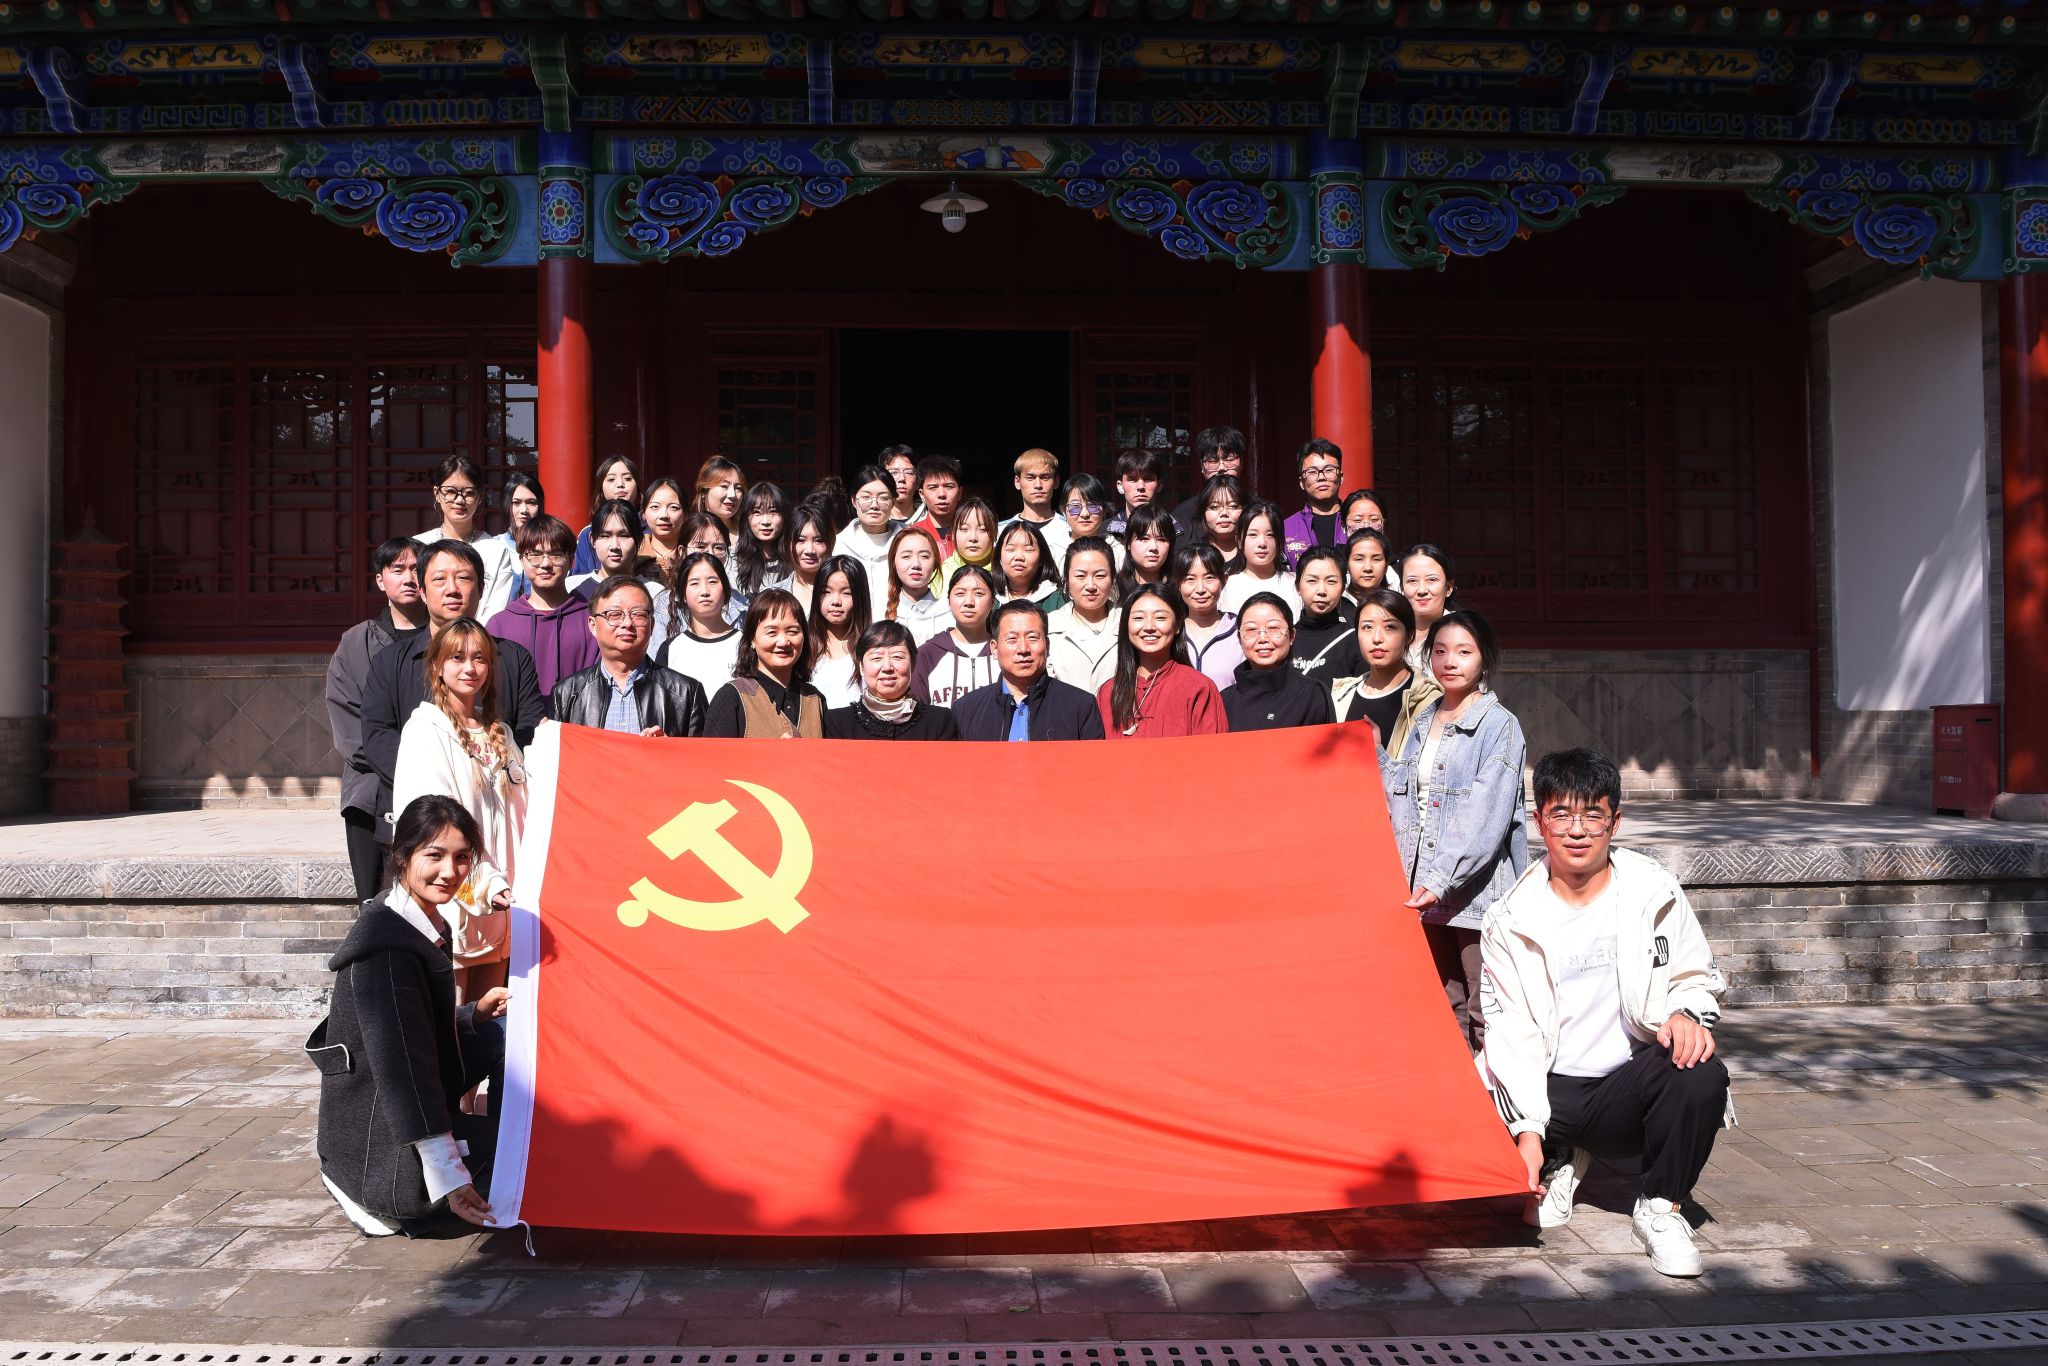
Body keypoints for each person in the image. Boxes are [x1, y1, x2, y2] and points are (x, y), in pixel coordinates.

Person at [1482, 747, 1732, 1279]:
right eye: (1561, 815)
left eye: (1592, 815)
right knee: (1474, 1092)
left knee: (1700, 1072)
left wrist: (1686, 1013)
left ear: (1614, 822)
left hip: (1627, 1089)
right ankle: (1558, 1156)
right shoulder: (1508, 919)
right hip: (1552, 1090)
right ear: (1539, 823)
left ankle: (1661, 1207)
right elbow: (1511, 1032)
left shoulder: (1652, 890)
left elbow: (1695, 973)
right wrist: (1527, 1133)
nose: (1577, 831)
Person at [310, 793, 509, 1237]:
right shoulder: (386, 949)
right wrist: (450, 1177)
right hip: (380, 1128)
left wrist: (471, 1016)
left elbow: (416, 1027)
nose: (450, 872)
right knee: (521, 1161)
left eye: (461, 857)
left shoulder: (423, 920)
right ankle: (371, 1190)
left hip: (413, 1088)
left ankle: (500, 1141)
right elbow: (403, 1068)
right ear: (402, 856)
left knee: (511, 1037)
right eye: (434, 856)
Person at [1383, 608, 1528, 1057]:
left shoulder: (1499, 726)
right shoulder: (1424, 719)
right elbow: (1403, 795)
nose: (1450, 661)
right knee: (1444, 1010)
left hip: (1475, 895)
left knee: (1487, 1012)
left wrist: (1441, 877)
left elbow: (1485, 815)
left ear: (1484, 659)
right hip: (1424, 890)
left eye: (1464, 652)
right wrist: (1371, 753)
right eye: (1441, 651)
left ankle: (1498, 1101)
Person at [361, 540, 545, 858]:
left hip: (500, 820)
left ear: (482, 588)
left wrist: (489, 781)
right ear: (422, 590)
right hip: (420, 825)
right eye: (439, 579)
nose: (452, 589)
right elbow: (378, 736)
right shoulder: (391, 662)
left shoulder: (513, 659)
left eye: (463, 578)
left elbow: (529, 733)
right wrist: (444, 784)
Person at [391, 620, 525, 1002]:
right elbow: (433, 827)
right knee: (450, 1019)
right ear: (437, 665)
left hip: (502, 905)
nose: (470, 668)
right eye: (457, 658)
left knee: (490, 1019)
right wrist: (482, 884)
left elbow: (526, 811)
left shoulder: (501, 733)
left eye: (479, 658)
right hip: (454, 899)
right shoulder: (425, 730)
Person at [327, 538, 429, 901]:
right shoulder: (356, 642)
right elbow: (347, 724)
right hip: (369, 789)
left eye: (416, 569)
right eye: (397, 570)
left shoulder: (449, 639)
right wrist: (401, 765)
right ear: (380, 580)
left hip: (435, 784)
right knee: (373, 902)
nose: (408, 578)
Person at [550, 577, 706, 738]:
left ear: (651, 625)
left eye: (638, 614)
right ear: (593, 625)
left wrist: (670, 749)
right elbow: (554, 753)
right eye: (614, 614)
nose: (627, 623)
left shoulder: (686, 693)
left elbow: (701, 753)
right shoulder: (566, 694)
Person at [953, 599, 1106, 741]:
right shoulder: (966, 710)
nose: (1023, 649)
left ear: (1047, 645)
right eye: (1012, 639)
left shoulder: (1081, 706)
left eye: (1032, 637)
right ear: (994, 648)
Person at [488, 514, 598, 698]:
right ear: (521, 560)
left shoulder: (592, 621)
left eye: (556, 554)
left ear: (571, 560)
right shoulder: (500, 625)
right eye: (535, 555)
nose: (545, 564)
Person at [1100, 584, 1225, 739]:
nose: (1149, 627)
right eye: (1138, 618)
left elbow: (1212, 750)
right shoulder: (1108, 692)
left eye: (1160, 618)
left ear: (1178, 625)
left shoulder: (1199, 687)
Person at [1330, 587, 1440, 755]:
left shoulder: (1428, 699)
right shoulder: (1340, 695)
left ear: (1409, 635)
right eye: (1367, 627)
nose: (1377, 638)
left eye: (1389, 627)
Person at [703, 589, 826, 738]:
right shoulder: (732, 697)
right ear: (752, 639)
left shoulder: (815, 699)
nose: (783, 642)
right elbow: (713, 753)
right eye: (772, 632)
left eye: (792, 631)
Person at [416, 455, 516, 624]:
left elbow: (495, 612)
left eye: (469, 493)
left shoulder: (496, 551)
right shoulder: (418, 546)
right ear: (437, 494)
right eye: (450, 492)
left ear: (480, 497)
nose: (460, 500)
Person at [825, 620, 961, 741]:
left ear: (913, 665)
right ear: (861, 667)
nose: (887, 667)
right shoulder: (837, 723)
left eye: (897, 657)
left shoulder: (939, 721)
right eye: (876, 658)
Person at [1220, 594, 1335, 732]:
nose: (1262, 638)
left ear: (1292, 636)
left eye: (1273, 628)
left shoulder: (1311, 694)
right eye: (1251, 630)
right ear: (1239, 639)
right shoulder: (1224, 700)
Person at [570, 500, 673, 654]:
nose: (614, 546)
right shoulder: (571, 589)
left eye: (624, 535)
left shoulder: (656, 594)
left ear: (638, 541)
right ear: (592, 540)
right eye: (605, 536)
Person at [654, 551, 743, 702]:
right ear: (683, 594)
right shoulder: (670, 649)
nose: (704, 591)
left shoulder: (745, 643)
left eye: (712, 582)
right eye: (694, 583)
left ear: (726, 590)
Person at [911, 564, 999, 706]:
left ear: (993, 602)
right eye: (960, 593)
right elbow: (919, 713)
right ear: (949, 601)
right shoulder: (928, 654)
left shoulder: (1005, 652)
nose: (969, 602)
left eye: (978, 594)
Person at [1046, 536, 1121, 694]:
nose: (1091, 586)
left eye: (1100, 576)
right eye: (1080, 576)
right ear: (1067, 579)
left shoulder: (1129, 623)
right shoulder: (1049, 625)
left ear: (1113, 578)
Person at [1172, 541, 1243, 690]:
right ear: (1178, 584)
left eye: (1209, 577)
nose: (1200, 589)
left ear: (1224, 580)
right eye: (1190, 579)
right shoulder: (1171, 632)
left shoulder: (1240, 630)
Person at [1291, 546, 1366, 687]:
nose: (1322, 591)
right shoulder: (1286, 639)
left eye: (1331, 581)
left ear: (1343, 588)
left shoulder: (1355, 640)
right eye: (1312, 581)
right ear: (1298, 587)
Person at [806, 555, 872, 708]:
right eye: (826, 592)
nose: (835, 601)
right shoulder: (803, 646)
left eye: (846, 593)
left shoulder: (873, 646)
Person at [1221, 500, 1301, 616]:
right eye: (1253, 535)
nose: (1262, 543)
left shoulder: (1295, 584)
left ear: (1280, 540)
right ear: (1239, 540)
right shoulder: (1227, 587)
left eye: (1270, 535)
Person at [834, 464, 898, 605]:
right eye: (866, 497)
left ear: (893, 502)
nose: (874, 505)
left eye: (883, 498)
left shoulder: (907, 542)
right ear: (854, 501)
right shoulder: (837, 545)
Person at [883, 524, 954, 647]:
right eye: (906, 556)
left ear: (935, 564)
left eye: (924, 556)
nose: (916, 564)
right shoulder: (880, 612)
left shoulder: (950, 613)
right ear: (893, 563)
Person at [1282, 438, 1345, 569]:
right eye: (1312, 472)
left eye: (1329, 470)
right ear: (1301, 482)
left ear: (1341, 477)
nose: (1321, 477)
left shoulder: (1356, 523)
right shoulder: (1286, 528)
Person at [572, 457, 641, 574]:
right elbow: (581, 576)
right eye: (611, 479)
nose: (620, 484)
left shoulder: (652, 530)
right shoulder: (587, 533)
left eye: (628, 479)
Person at [1400, 543, 1458, 674]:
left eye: (1431, 579)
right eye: (1412, 581)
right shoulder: (1391, 632)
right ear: (1402, 588)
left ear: (1449, 587)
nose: (1422, 590)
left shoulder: (1464, 632)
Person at [1171, 425, 1245, 529]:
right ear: (1202, 466)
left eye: (1229, 459)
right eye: (1212, 461)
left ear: (1241, 463)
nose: (1221, 468)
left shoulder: (1260, 509)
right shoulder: (1182, 514)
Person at [775, 502, 835, 616]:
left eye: (819, 540)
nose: (810, 550)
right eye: (800, 540)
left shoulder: (848, 593)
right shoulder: (772, 595)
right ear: (787, 543)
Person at [1004, 447, 1064, 561]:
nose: (1038, 485)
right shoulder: (1001, 531)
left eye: (1045, 477)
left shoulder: (1069, 529)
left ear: (1056, 482)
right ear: (1017, 482)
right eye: (1030, 478)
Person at [494, 473, 545, 601]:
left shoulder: (550, 547)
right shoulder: (494, 546)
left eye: (531, 503)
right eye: (516, 503)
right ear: (506, 505)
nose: (524, 510)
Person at [735, 481, 791, 597]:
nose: (765, 521)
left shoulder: (795, 559)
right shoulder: (734, 561)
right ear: (746, 518)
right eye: (757, 512)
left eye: (773, 512)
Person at [1059, 474, 1127, 569]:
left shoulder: (1119, 551)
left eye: (1093, 506)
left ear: (1104, 510)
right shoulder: (1054, 551)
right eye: (1075, 506)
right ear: (1064, 510)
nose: (1085, 514)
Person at [995, 520, 1066, 609]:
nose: (1019, 557)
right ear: (999, 558)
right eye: (1010, 549)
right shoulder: (988, 597)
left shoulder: (1057, 601)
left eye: (1028, 550)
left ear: (1041, 559)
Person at [1107, 449, 1175, 537]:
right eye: (1133, 479)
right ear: (1120, 486)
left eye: (1148, 479)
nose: (1140, 487)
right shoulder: (1103, 533)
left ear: (1159, 485)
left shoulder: (1174, 530)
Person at [910, 455, 965, 559]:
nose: (941, 494)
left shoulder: (972, 533)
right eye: (933, 487)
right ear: (922, 494)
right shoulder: (912, 534)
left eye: (949, 486)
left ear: (960, 493)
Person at [1117, 503, 1176, 599]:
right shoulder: (1112, 588)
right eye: (1144, 538)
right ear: (1128, 543)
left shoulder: (1180, 589)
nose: (1153, 547)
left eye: (1161, 539)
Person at [637, 477, 688, 582]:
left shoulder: (693, 551)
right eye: (655, 507)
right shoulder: (634, 551)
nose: (664, 515)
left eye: (673, 507)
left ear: (686, 514)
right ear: (643, 513)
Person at [939, 497, 998, 580]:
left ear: (995, 534)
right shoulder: (942, 574)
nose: (973, 538)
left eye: (982, 529)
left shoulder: (1006, 570)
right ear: (953, 534)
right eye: (964, 529)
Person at [1196, 473, 1246, 571]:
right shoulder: (1194, 555)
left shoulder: (1255, 554)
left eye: (1233, 506)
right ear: (1203, 511)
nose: (1224, 513)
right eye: (1214, 507)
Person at [695, 455, 747, 539]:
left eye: (738, 488)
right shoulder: (691, 532)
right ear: (704, 491)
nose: (732, 495)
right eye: (724, 486)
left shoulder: (749, 533)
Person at [1345, 527, 1395, 603]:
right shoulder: (1337, 603)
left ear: (1386, 564)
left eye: (1376, 559)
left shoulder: (1396, 603)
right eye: (1359, 559)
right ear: (1347, 564)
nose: (1368, 568)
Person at [881, 444, 922, 527]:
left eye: (908, 472)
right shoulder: (874, 522)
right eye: (893, 472)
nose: (901, 478)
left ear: (917, 482)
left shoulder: (931, 520)